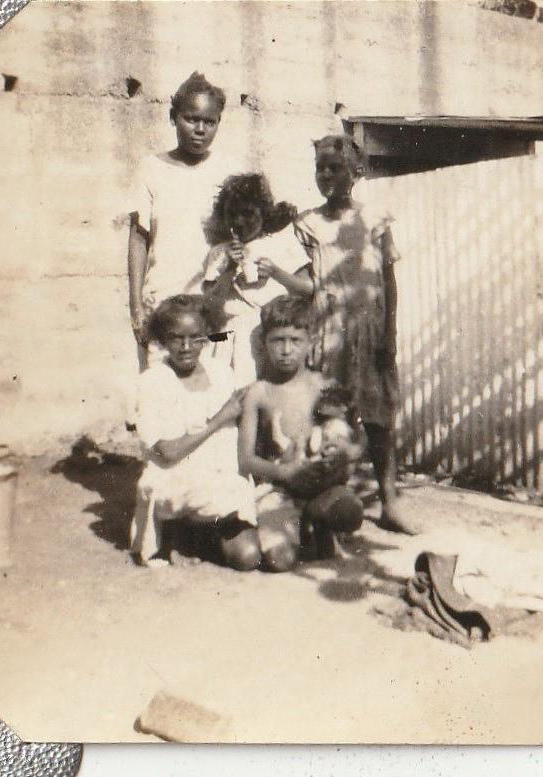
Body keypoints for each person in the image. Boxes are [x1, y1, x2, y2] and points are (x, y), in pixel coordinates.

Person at [294, 134, 417, 534]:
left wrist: (390, 336)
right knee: (330, 417)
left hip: (371, 335)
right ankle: (333, 501)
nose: (326, 175)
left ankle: (389, 502)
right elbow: (302, 280)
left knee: (379, 420)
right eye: (320, 168)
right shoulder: (307, 224)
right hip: (327, 334)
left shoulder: (375, 219)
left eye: (336, 167)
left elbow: (388, 279)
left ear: (357, 172)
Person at [129, 295, 262, 571]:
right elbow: (167, 452)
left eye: (195, 337)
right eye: (176, 338)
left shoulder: (220, 372)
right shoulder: (153, 381)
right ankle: (177, 530)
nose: (186, 347)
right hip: (174, 479)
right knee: (202, 495)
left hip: (220, 478)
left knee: (249, 556)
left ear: (206, 338)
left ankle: (203, 534)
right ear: (163, 340)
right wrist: (217, 420)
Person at [239, 295, 364, 573]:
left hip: (321, 484)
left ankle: (319, 524)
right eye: (278, 340)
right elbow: (246, 460)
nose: (286, 350)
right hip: (278, 488)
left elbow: (357, 443)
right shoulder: (259, 393)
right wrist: (288, 473)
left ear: (311, 341)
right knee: (278, 561)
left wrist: (343, 452)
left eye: (295, 340)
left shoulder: (323, 386)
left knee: (349, 511)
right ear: (264, 343)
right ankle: (301, 530)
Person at [127, 72, 241, 370]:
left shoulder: (229, 171)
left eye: (210, 122)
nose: (200, 129)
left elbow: (242, 236)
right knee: (159, 388)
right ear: (173, 117)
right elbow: (139, 239)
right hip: (162, 302)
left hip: (212, 306)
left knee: (210, 386)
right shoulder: (150, 169)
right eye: (191, 119)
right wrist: (136, 307)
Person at [202, 173, 312, 387]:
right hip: (230, 337)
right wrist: (229, 269)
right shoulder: (219, 253)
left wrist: (276, 272)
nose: (239, 221)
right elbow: (209, 305)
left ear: (264, 213)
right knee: (233, 393)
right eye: (232, 214)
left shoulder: (282, 243)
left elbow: (308, 289)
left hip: (273, 336)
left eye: (248, 214)